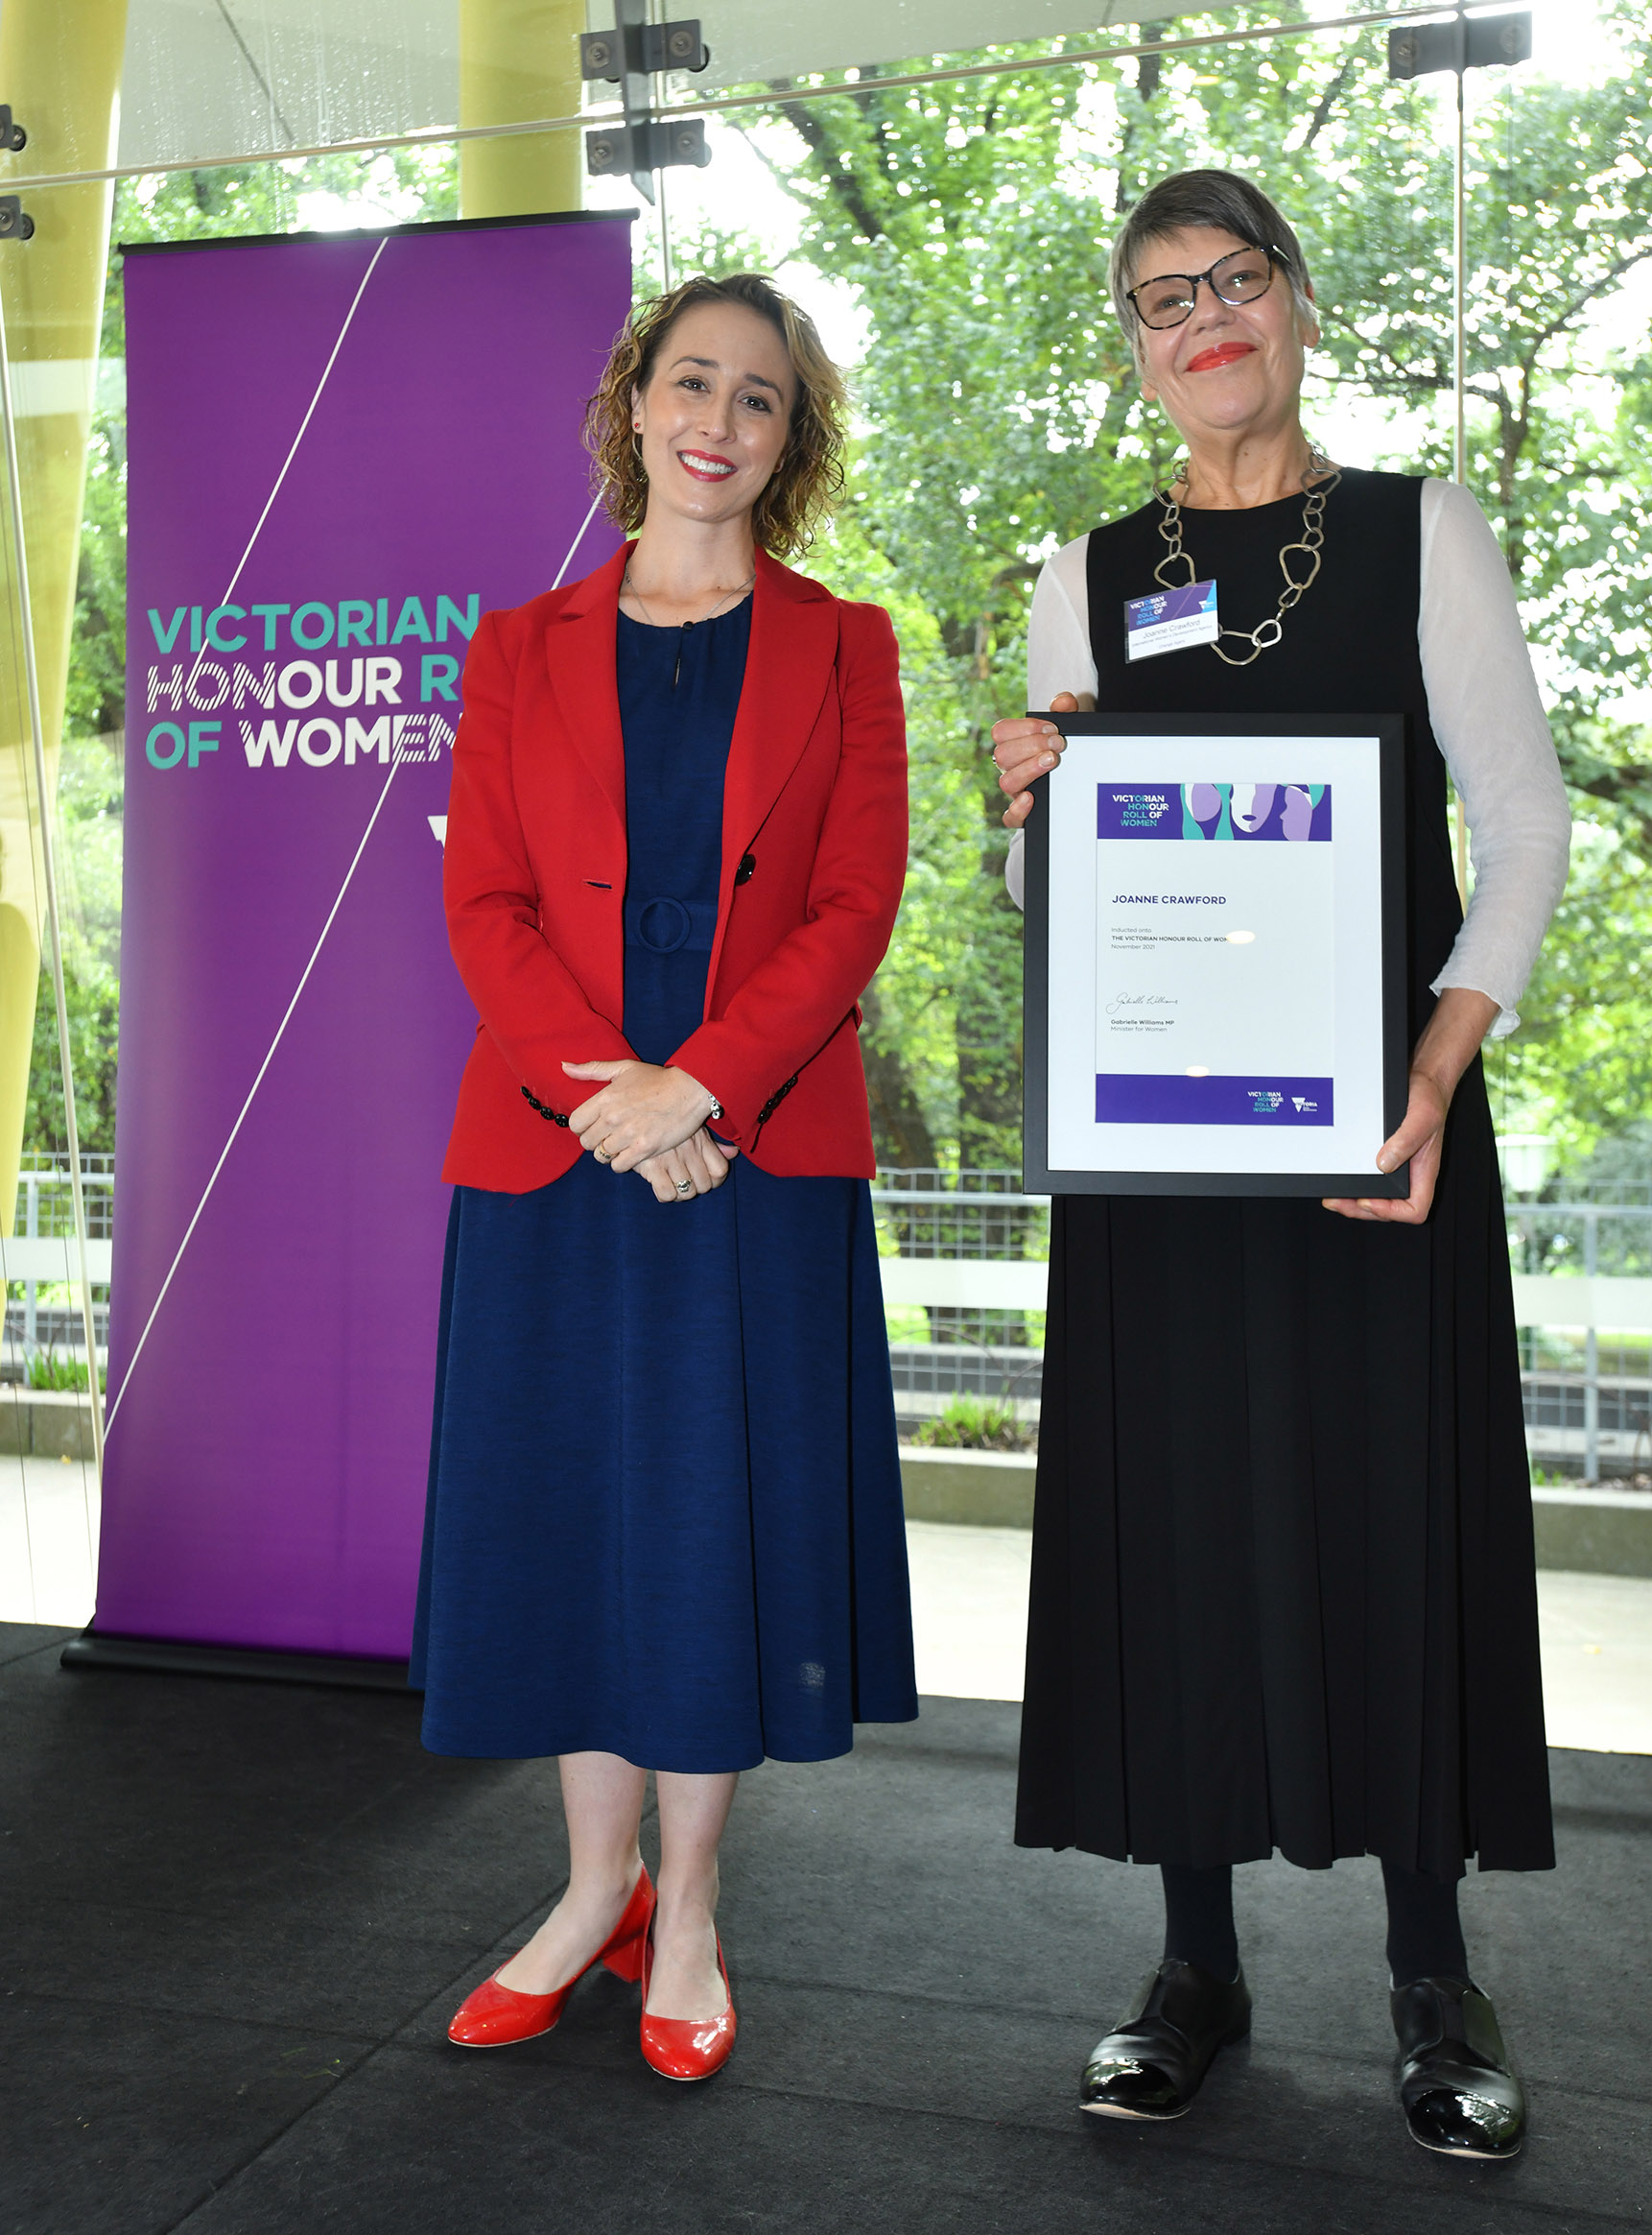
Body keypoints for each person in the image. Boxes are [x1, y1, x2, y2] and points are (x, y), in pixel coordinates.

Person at [992, 169, 1569, 2158]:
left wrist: (1437, 1061)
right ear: (1136, 348)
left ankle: (1435, 1972)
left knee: (1391, 1531)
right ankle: (1191, 1966)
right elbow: (1045, 893)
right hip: (1163, 1175)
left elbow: (1527, 826)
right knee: (1180, 1539)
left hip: (1383, 1145)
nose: (1203, 319)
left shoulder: (1422, 535)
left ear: (1302, 307)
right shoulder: (1089, 572)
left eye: (1234, 282)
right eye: (1162, 298)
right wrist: (1030, 810)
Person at [413, 273, 917, 2083]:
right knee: (573, 1529)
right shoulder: (513, 643)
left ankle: (687, 1911)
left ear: (789, 442)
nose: (718, 416)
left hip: (755, 1156)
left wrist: (695, 1084)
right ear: (635, 403)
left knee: (708, 1534)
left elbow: (857, 907)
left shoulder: (848, 642)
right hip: (556, 1159)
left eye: (759, 398)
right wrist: (608, 1097)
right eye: (689, 380)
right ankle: (587, 1891)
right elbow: (485, 906)